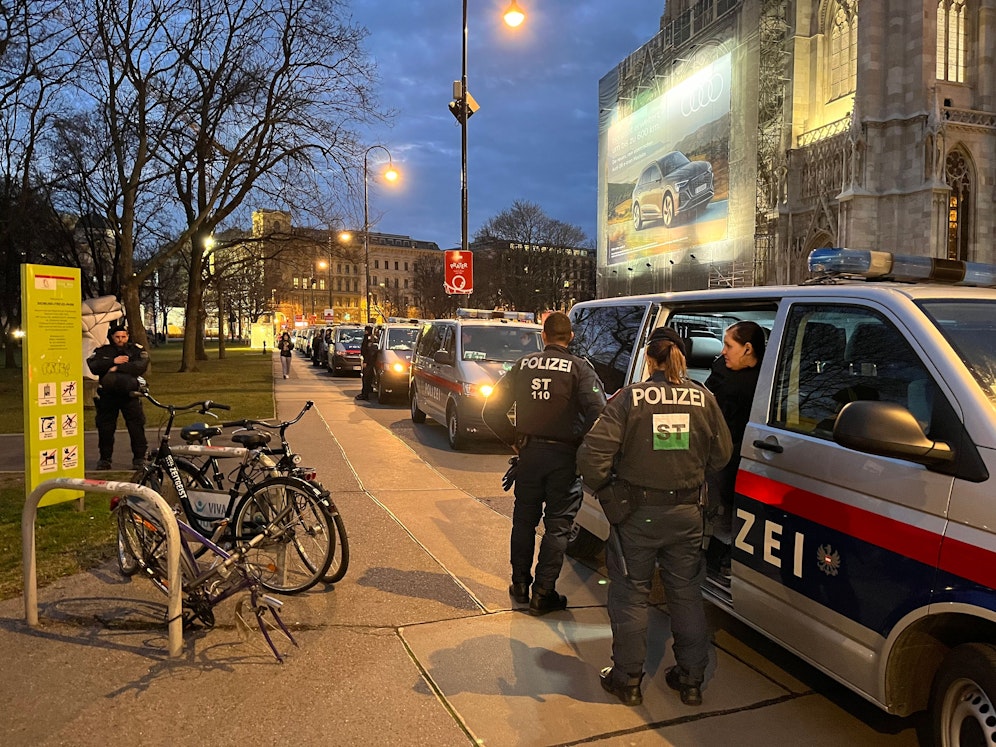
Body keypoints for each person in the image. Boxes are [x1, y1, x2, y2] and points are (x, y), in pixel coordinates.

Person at [577, 327, 732, 708]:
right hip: (687, 514)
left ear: (650, 358)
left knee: (630, 596)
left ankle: (627, 679)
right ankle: (691, 679)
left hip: (638, 515)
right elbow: (722, 454)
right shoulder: (703, 397)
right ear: (679, 355)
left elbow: (590, 456)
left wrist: (611, 497)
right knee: (686, 595)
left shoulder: (631, 398)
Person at [482, 312, 606, 615]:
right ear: (571, 338)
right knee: (558, 527)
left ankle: (520, 584)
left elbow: (491, 410)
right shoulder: (579, 369)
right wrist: (584, 449)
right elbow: (600, 414)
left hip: (529, 456)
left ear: (543, 336)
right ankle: (543, 593)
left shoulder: (523, 366)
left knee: (523, 521)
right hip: (565, 459)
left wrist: (513, 439)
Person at [703, 321, 766, 579]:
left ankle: (724, 553)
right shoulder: (720, 370)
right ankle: (715, 557)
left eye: (729, 345)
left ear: (748, 349)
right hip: (720, 451)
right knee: (721, 504)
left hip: (752, 451)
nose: (723, 351)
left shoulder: (769, 377)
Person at [86, 326, 151, 470]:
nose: (121, 340)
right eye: (117, 337)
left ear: (128, 336)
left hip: (130, 396)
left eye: (124, 337)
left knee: (136, 428)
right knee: (106, 429)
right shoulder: (103, 351)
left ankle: (139, 459)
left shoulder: (136, 350)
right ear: (112, 337)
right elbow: (94, 365)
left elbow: (141, 366)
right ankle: (105, 459)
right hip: (108, 397)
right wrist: (113, 361)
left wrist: (118, 368)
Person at [356, 325, 376, 400]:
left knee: (366, 378)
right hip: (369, 361)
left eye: (366, 330)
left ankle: (365, 394)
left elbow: (368, 351)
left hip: (368, 362)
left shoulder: (369, 338)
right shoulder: (369, 338)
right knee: (367, 378)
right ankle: (366, 392)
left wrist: (365, 361)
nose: (365, 331)